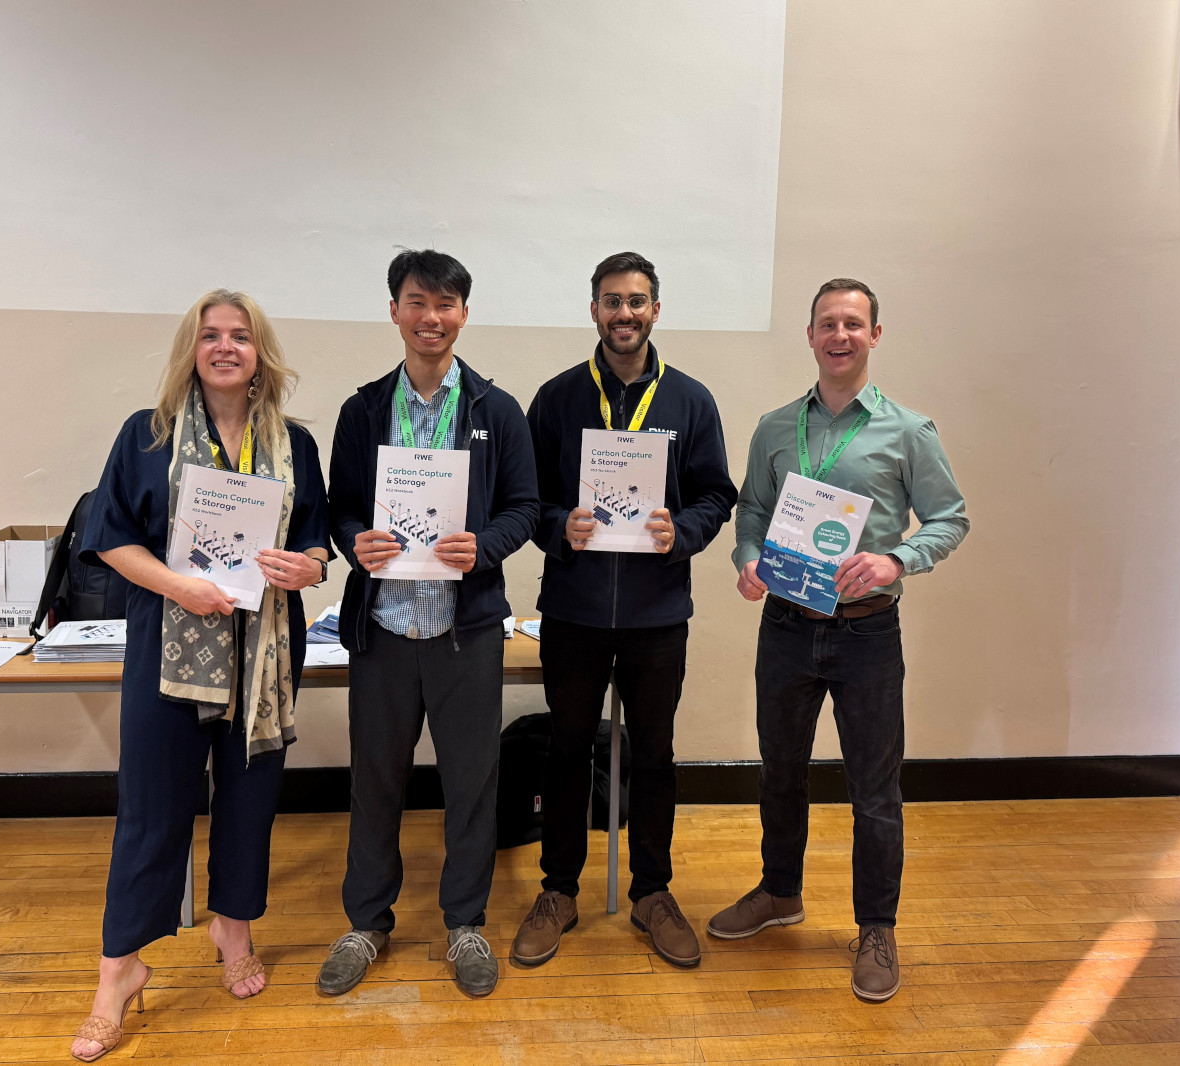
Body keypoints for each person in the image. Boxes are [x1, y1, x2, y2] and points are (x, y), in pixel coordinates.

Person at [68, 290, 332, 1061]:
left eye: (240, 336)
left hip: (266, 655)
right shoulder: (144, 438)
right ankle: (119, 970)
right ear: (191, 350)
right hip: (167, 646)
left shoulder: (295, 445)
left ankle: (232, 926)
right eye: (210, 336)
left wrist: (305, 564)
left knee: (250, 801)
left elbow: (318, 546)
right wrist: (179, 586)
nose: (225, 347)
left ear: (260, 353)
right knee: (151, 809)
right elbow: (109, 538)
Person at [711, 278, 968, 1003]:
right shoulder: (774, 426)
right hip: (787, 626)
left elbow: (951, 518)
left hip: (867, 633)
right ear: (811, 334)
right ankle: (779, 893)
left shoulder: (909, 431)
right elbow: (753, 511)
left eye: (854, 323)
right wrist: (747, 559)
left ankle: (877, 927)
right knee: (778, 772)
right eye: (828, 323)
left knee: (875, 792)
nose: (840, 335)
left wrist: (897, 559)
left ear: (874, 336)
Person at [321, 249, 538, 998]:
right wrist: (355, 540)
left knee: (471, 784)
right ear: (394, 311)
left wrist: (487, 547)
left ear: (463, 315)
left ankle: (465, 923)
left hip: (464, 630)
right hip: (383, 628)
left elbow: (525, 509)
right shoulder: (362, 410)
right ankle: (366, 921)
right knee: (375, 782)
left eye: (446, 304)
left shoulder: (495, 410)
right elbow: (339, 507)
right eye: (417, 301)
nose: (431, 317)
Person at [511, 252, 735, 969]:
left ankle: (652, 892)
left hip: (657, 612)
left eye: (637, 301)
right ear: (594, 311)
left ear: (655, 311)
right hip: (573, 611)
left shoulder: (691, 402)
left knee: (656, 755)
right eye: (612, 301)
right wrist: (558, 526)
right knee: (568, 751)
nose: (625, 313)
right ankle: (559, 891)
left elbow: (714, 496)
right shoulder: (555, 398)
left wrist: (684, 533)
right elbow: (526, 498)